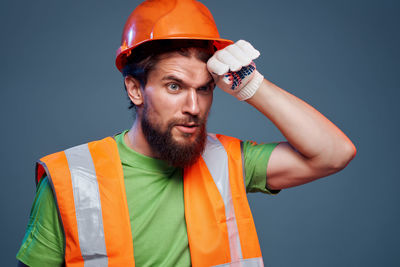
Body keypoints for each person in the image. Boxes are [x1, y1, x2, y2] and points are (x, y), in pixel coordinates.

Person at [16, 0, 356, 266]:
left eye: (205, 88)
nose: (194, 106)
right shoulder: (70, 181)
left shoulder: (229, 161)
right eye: (174, 86)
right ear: (135, 89)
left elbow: (334, 153)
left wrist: (253, 85)